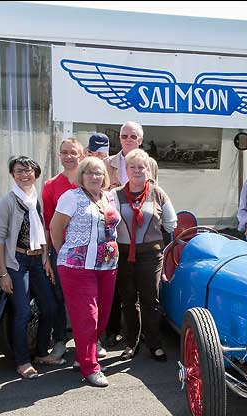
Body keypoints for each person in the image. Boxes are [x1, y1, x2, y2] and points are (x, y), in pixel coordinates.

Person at [49, 157, 121, 387]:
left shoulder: (109, 196)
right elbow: (55, 228)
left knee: (102, 316)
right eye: (89, 172)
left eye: (98, 173)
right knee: (86, 318)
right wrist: (67, 253)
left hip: (107, 265)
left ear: (104, 176)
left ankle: (83, 355)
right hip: (77, 267)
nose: (94, 176)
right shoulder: (71, 197)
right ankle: (90, 367)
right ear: (82, 175)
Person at [0, 156, 59, 379]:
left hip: (37, 260)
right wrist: (3, 273)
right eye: (19, 171)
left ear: (36, 173)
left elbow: (41, 231)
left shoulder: (35, 199)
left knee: (49, 307)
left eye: (28, 170)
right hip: (17, 262)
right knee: (22, 312)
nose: (24, 175)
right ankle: (22, 361)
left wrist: (46, 260)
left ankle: (41, 352)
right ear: (12, 175)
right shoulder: (8, 201)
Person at [114, 148, 177, 362]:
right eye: (132, 167)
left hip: (151, 255)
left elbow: (171, 223)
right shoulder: (116, 195)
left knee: (151, 300)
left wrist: (155, 234)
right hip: (123, 255)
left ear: (148, 169)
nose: (137, 170)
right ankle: (131, 343)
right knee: (128, 300)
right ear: (126, 170)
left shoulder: (158, 193)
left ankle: (155, 343)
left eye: (141, 167)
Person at [41, 138, 84, 359]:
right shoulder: (50, 186)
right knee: (59, 296)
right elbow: (48, 223)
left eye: (72, 152)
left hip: (86, 253)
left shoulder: (89, 182)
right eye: (64, 152)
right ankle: (59, 341)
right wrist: (48, 255)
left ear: (81, 155)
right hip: (61, 251)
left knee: (86, 299)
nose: (68, 156)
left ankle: (89, 342)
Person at [104, 121, 144, 189]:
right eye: (124, 136)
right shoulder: (106, 163)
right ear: (120, 139)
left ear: (140, 140)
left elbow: (154, 193)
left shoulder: (150, 164)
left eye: (133, 137)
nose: (128, 139)